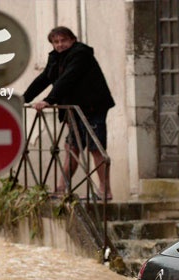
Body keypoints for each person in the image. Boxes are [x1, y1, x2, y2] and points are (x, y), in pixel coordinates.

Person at [23, 26, 115, 199]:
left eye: (63, 40)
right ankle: (61, 190)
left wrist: (49, 100)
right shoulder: (55, 58)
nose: (60, 45)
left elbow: (68, 78)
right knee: (71, 147)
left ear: (72, 40)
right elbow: (44, 78)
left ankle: (105, 191)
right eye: (56, 42)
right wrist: (24, 98)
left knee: (96, 149)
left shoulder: (81, 54)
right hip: (75, 110)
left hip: (92, 107)